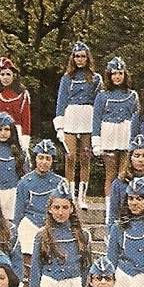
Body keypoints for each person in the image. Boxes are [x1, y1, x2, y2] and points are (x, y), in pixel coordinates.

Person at [14, 139, 68, 287]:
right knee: (27, 256)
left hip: (51, 223)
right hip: (30, 222)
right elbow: (19, 211)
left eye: (48, 158)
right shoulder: (25, 182)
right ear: (35, 158)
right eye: (41, 157)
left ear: (52, 161)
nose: (44, 162)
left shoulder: (60, 182)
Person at [53, 42, 102, 208]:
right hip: (71, 116)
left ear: (87, 58)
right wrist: (59, 126)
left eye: (82, 56)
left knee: (85, 158)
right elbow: (61, 101)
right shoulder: (67, 78)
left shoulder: (96, 78)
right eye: (76, 56)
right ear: (72, 58)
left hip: (88, 116)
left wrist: (98, 126)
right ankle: (69, 195)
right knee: (70, 156)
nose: (79, 59)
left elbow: (99, 103)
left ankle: (82, 197)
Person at [92, 57, 138, 210]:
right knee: (110, 174)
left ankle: (123, 208)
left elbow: (136, 118)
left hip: (126, 136)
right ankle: (109, 210)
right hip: (109, 136)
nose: (117, 77)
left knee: (124, 174)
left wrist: (136, 140)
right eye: (114, 74)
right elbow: (96, 119)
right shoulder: (102, 96)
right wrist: (96, 141)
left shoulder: (132, 95)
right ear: (109, 76)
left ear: (125, 75)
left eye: (120, 73)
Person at [0, 56, 31, 150]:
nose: (5, 77)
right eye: (2, 74)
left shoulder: (22, 94)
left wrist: (25, 138)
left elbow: (26, 119)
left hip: (16, 136)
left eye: (8, 74)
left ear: (14, 76)